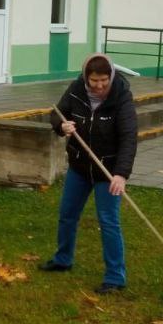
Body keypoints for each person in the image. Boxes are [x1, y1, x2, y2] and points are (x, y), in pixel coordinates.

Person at [40, 52, 137, 293]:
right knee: (67, 214)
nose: (99, 86)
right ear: (86, 77)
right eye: (94, 80)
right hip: (80, 167)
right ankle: (63, 259)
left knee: (109, 222)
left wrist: (121, 174)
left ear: (111, 76)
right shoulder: (76, 89)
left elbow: (129, 138)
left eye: (104, 80)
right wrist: (61, 126)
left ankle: (115, 277)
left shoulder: (121, 96)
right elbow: (57, 113)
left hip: (108, 172)